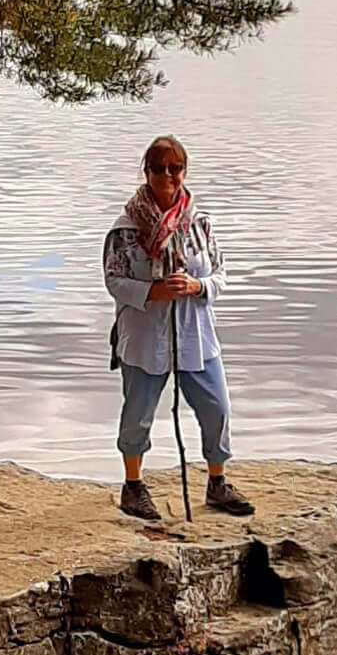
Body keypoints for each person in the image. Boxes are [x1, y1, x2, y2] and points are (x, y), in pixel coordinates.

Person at [102, 135, 254, 519]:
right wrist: (152, 291)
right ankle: (133, 486)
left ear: (185, 172)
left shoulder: (200, 225)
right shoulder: (125, 230)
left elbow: (220, 274)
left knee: (216, 407)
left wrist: (197, 286)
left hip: (196, 338)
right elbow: (113, 280)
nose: (168, 175)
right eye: (159, 168)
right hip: (144, 339)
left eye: (175, 168)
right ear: (147, 172)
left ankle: (217, 483)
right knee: (137, 414)